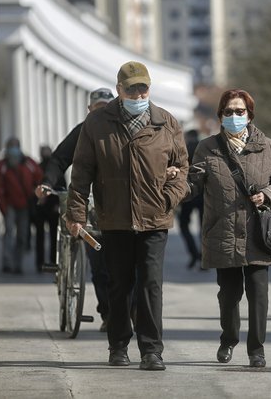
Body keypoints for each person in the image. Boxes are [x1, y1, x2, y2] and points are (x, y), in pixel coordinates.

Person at [65, 62, 189, 371]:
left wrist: (169, 196)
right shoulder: (97, 123)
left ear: (149, 89)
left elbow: (183, 168)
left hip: (154, 219)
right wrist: (76, 212)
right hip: (114, 218)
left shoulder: (166, 123)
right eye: (131, 88)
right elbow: (81, 171)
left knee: (150, 284)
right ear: (119, 89)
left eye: (142, 88)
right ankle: (118, 346)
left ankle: (151, 350)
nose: (138, 93)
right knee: (118, 284)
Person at [187, 89, 271, 368]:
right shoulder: (207, 147)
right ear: (220, 116)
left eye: (240, 111)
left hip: (258, 233)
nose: (234, 116)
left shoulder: (267, 146)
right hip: (223, 232)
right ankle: (228, 338)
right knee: (229, 296)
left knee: (259, 295)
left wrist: (267, 195)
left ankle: (257, 349)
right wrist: (176, 183)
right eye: (229, 112)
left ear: (250, 115)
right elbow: (193, 184)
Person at [35, 88, 115, 332]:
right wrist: (47, 183)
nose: (101, 114)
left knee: (124, 264)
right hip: (88, 205)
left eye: (106, 109)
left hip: (117, 204)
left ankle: (127, 310)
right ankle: (108, 313)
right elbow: (59, 159)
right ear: (89, 111)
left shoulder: (121, 131)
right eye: (97, 109)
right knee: (98, 262)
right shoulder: (81, 132)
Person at [0, 137, 42, 274]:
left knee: (22, 235)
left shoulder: (28, 162)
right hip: (9, 206)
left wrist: (36, 191)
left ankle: (18, 263)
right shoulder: (2, 165)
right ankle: (7, 262)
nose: (13, 149)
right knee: (9, 233)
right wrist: (3, 207)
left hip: (25, 206)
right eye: (11, 146)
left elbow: (39, 176)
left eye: (15, 146)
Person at [177, 129, 204, 269]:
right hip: (204, 195)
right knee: (204, 228)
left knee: (183, 224)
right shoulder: (205, 149)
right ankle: (203, 257)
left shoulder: (184, 149)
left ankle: (194, 254)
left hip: (187, 193)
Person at [34, 145, 61, 273]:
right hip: (40, 206)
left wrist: (58, 204)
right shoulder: (37, 168)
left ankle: (52, 261)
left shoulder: (56, 170)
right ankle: (41, 263)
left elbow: (62, 188)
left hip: (52, 207)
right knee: (40, 236)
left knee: (53, 236)